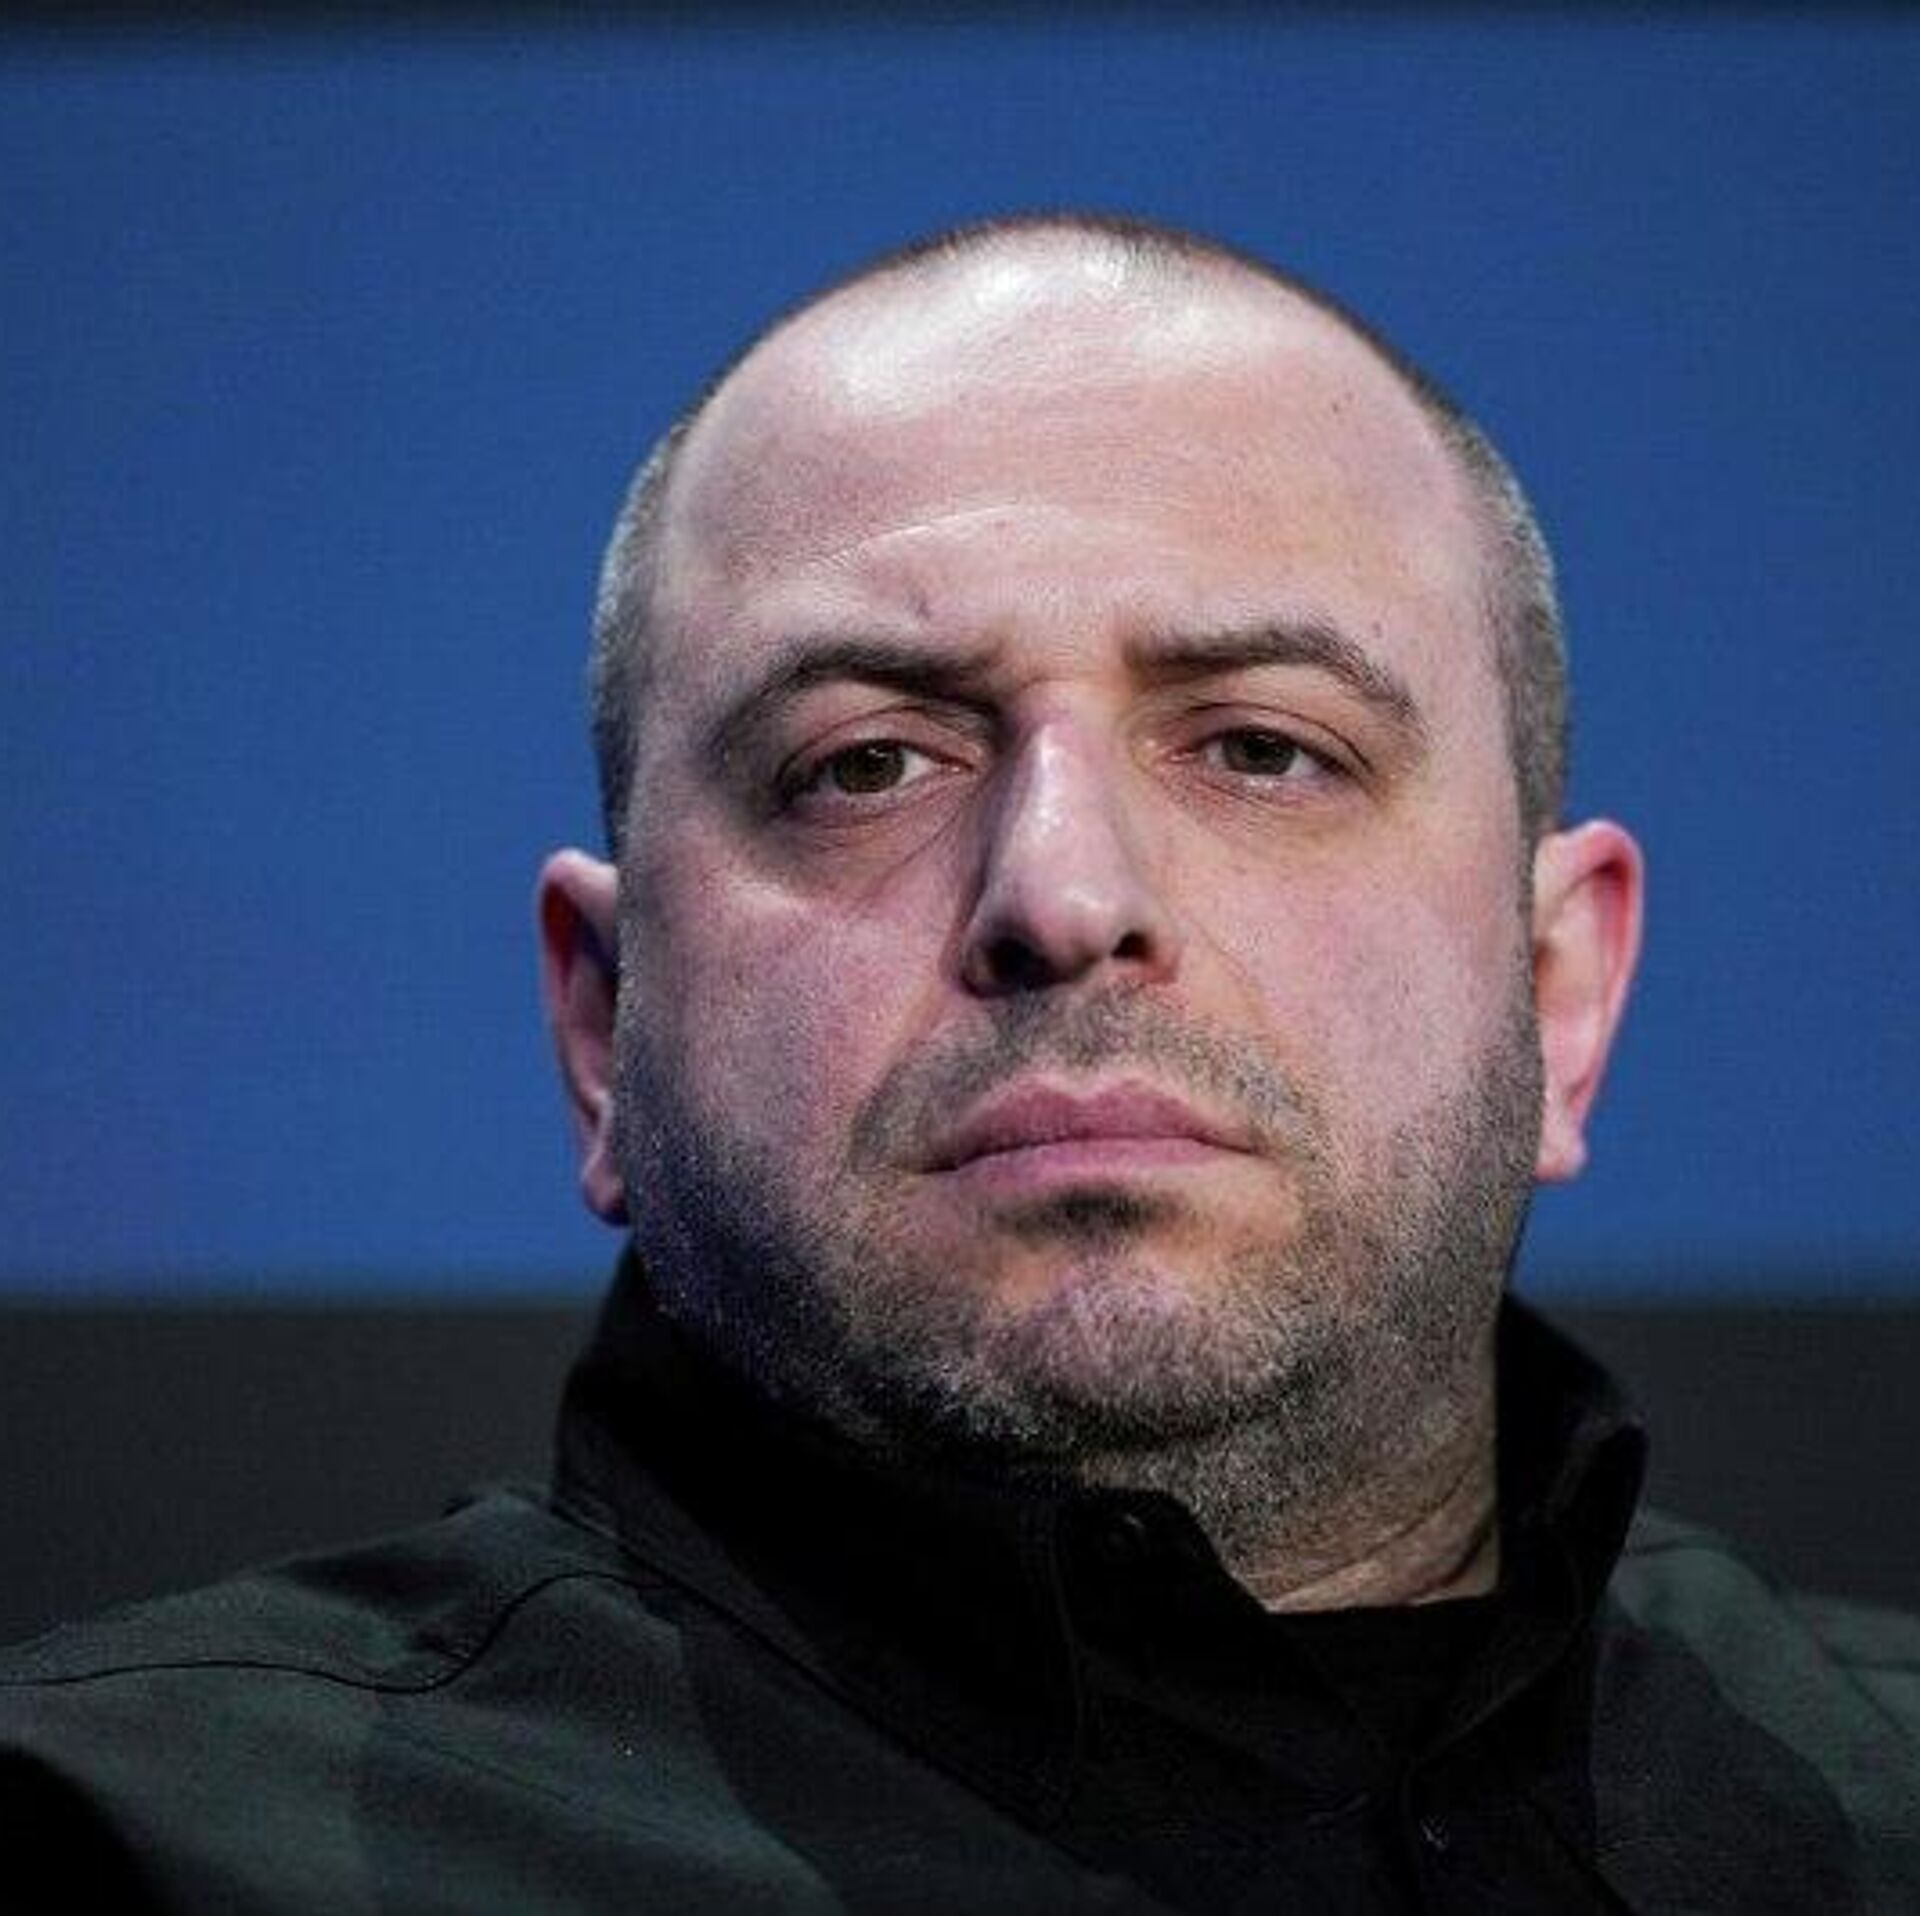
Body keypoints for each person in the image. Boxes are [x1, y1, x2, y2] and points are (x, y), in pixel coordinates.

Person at [2, 214, 1915, 1912]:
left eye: (1264, 748)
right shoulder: (120, 1846)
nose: (1065, 897)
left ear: (1560, 993)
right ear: (601, 1025)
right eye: (866, 765)